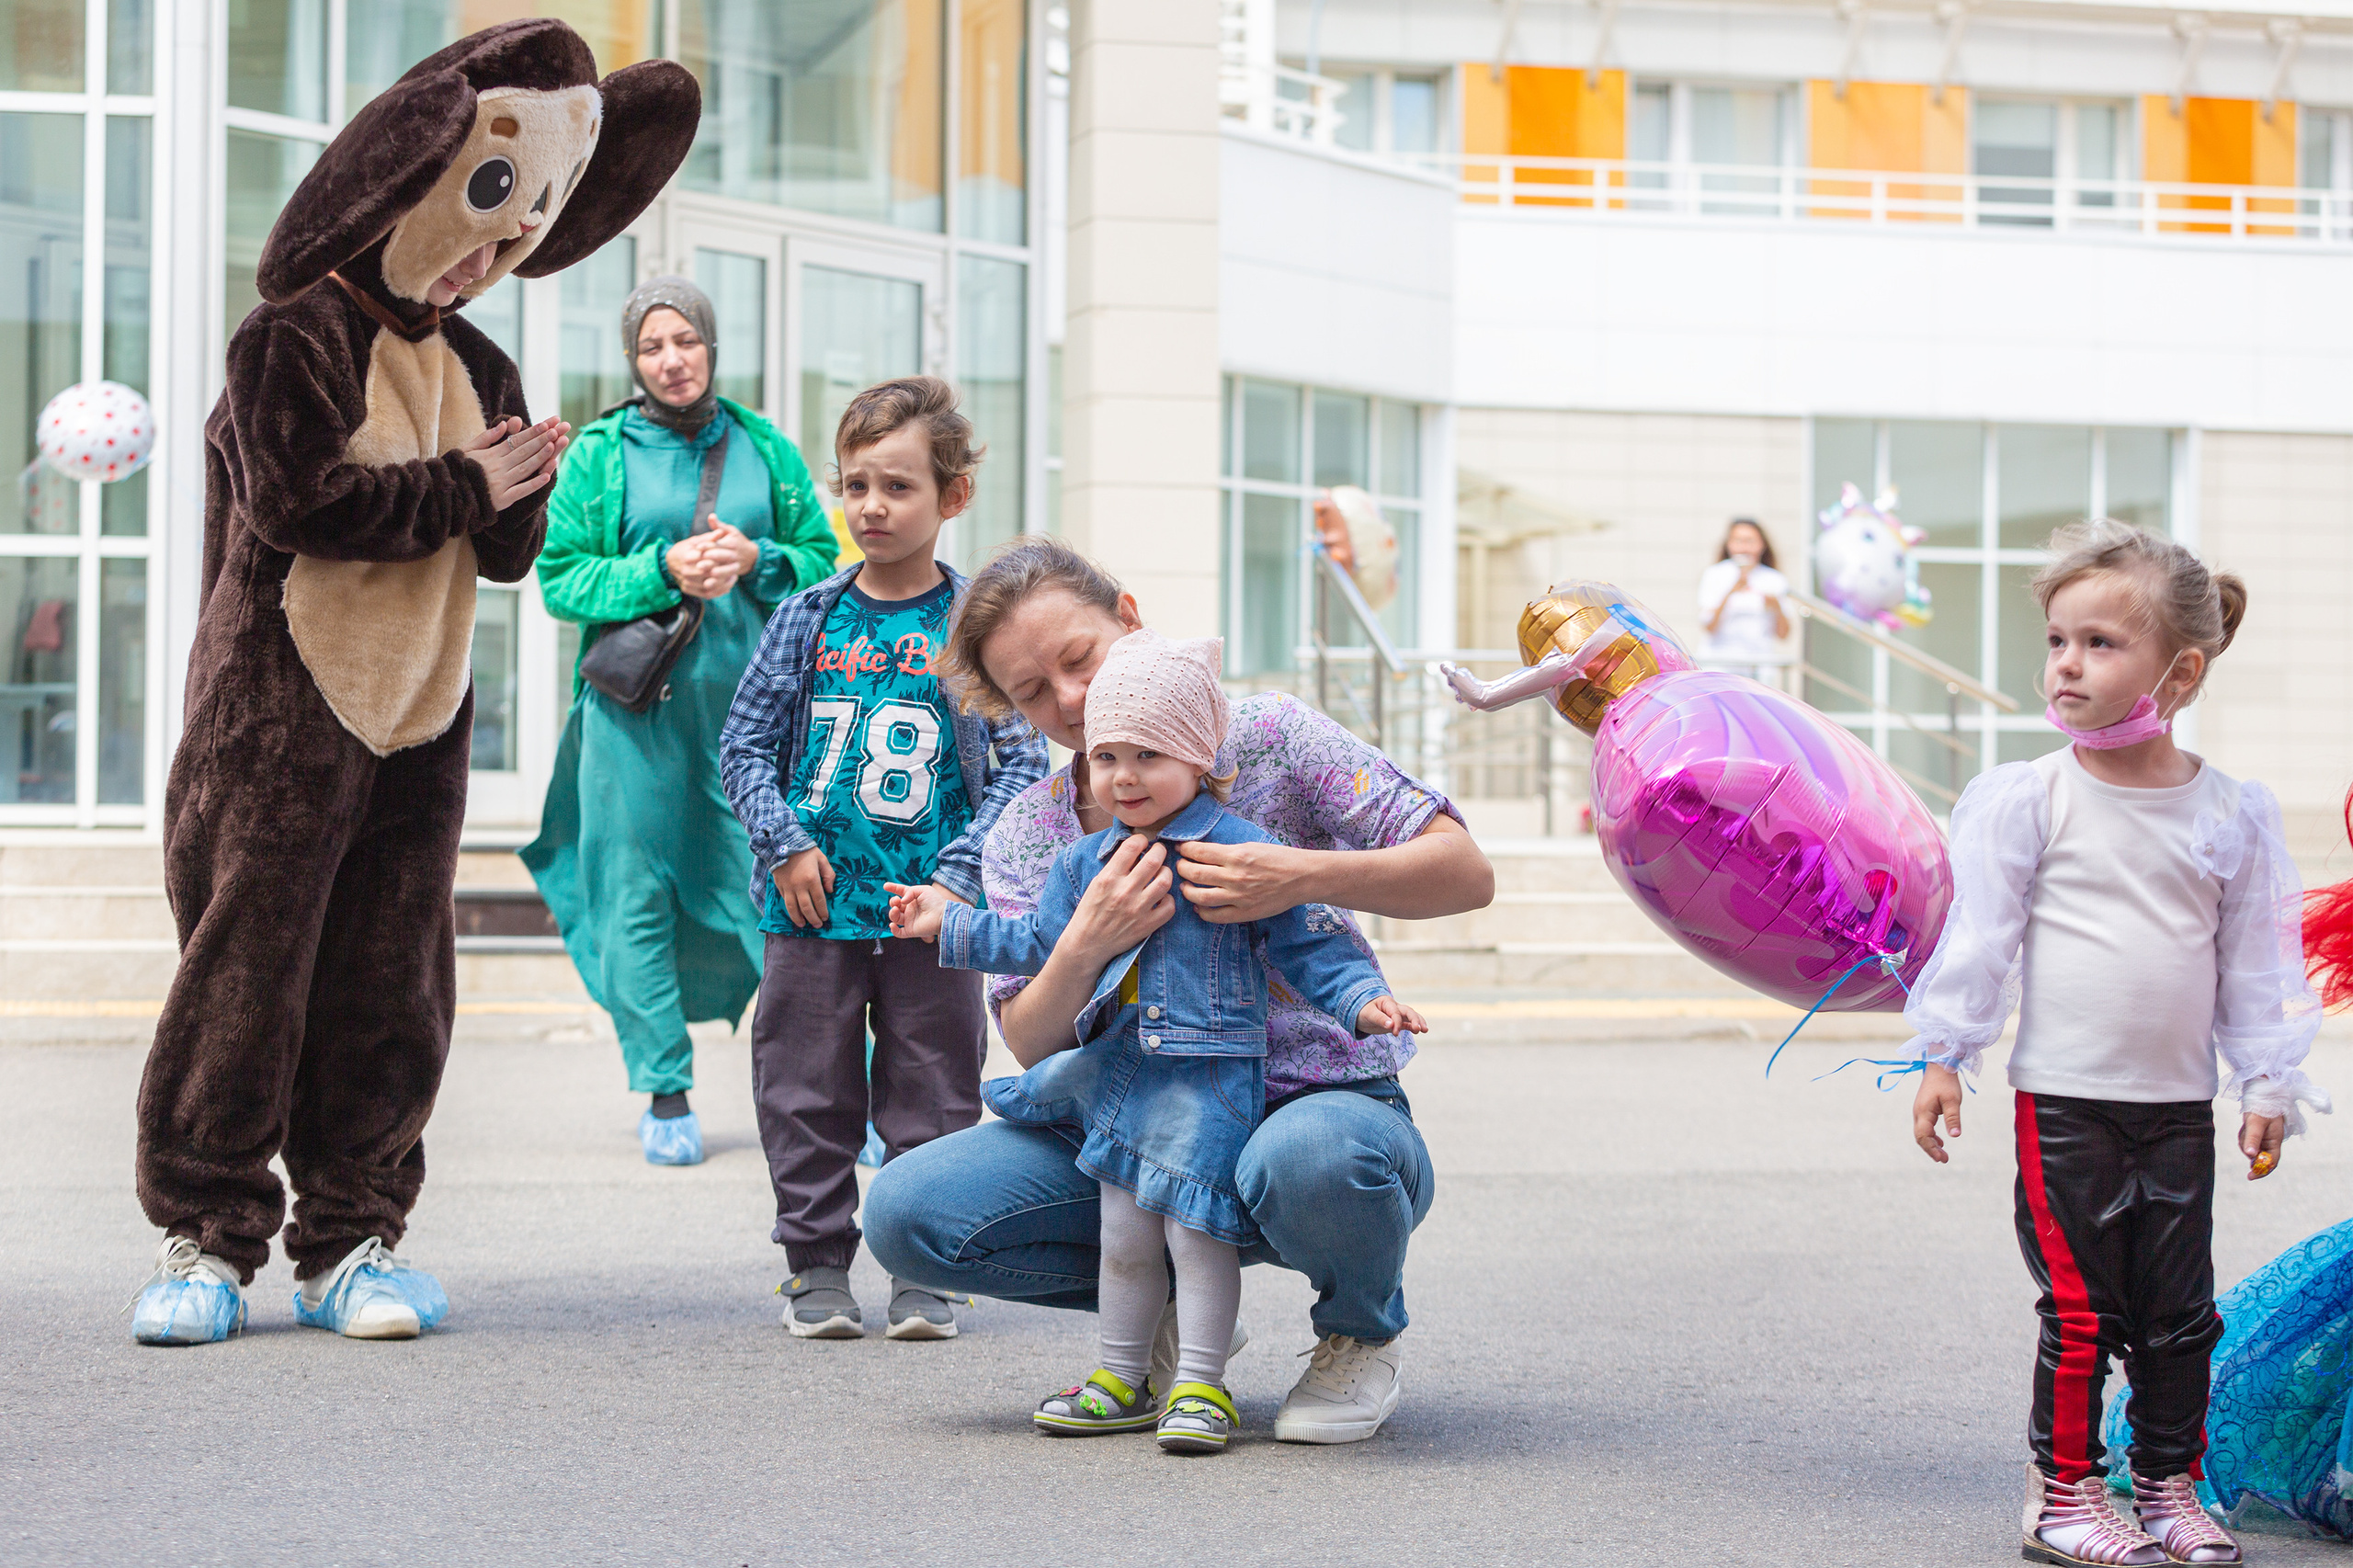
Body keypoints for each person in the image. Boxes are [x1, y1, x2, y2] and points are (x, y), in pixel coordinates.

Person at [125, 19, 696, 1346]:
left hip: (422, 715)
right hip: (281, 707)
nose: (500, 248)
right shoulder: (292, 335)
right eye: (494, 201)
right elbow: (298, 499)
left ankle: (354, 1239)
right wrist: (465, 485)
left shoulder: (479, 363)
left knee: (391, 977)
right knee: (249, 968)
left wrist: (519, 492)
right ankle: (205, 1238)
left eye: (532, 220)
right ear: (409, 173)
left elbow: (502, 556)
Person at [862, 536, 1495, 1445]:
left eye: (1077, 658)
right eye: (1031, 692)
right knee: (908, 1209)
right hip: (1138, 1118)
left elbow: (1462, 872)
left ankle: (1359, 1329)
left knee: (1312, 1155)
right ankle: (1165, 1316)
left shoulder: (1267, 734)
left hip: (1312, 1109)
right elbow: (1033, 1041)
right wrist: (1084, 941)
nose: (1070, 700)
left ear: (1128, 616)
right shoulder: (1032, 835)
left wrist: (1294, 875)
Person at [1902, 517, 2326, 1566]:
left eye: (2098, 643)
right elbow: (1980, 938)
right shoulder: (2030, 795)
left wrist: (2268, 1079)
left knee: (2180, 1314)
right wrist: (1945, 1052)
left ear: (2177, 672)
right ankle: (2062, 1492)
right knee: (2083, 1307)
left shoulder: (2231, 811)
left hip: (2176, 1105)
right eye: (2057, 639)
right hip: (2066, 1102)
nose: (2066, 664)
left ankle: (2167, 1485)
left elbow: (2258, 959)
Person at [719, 377, 1048, 1341]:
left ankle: (924, 1263)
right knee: (802, 1085)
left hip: (930, 916)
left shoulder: (973, 632)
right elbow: (742, 746)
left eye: (897, 486)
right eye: (856, 484)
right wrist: (784, 845)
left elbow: (1022, 765)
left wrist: (956, 876)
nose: (872, 506)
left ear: (951, 496)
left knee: (933, 1087)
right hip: (810, 909)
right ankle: (815, 1264)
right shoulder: (806, 615)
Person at [522, 278, 837, 1168]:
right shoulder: (597, 451)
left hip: (751, 717)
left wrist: (758, 556)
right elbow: (560, 579)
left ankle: (833, 1093)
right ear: (633, 360)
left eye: (685, 340)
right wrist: (663, 568)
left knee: (783, 894)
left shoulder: (763, 444)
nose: (671, 359)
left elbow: (822, 564)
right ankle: (664, 1086)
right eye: (652, 346)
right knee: (636, 894)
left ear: (709, 343)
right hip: (635, 717)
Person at [1695, 517, 1790, 681]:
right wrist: (1729, 594)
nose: (1744, 547)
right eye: (1738, 541)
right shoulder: (1715, 575)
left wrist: (1776, 606)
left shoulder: (1774, 579)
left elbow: (1784, 634)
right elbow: (1708, 625)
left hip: (1759, 667)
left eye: (1750, 541)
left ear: (1762, 545)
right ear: (1729, 544)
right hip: (1720, 664)